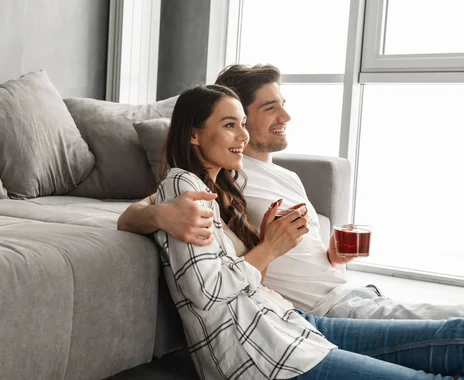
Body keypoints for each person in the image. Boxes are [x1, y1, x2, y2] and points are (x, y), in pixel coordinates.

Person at [150, 83, 464, 379]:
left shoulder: (221, 191)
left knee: (456, 334)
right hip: (264, 353)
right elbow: (208, 293)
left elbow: (242, 283)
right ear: (193, 135)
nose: (242, 136)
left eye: (243, 124)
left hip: (290, 324)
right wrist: (269, 247)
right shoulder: (183, 187)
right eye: (230, 125)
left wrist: (272, 245)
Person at [118, 64, 464, 319]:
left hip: (352, 293)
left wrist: (332, 255)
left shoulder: (286, 176)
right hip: (328, 310)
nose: (285, 114)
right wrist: (162, 214)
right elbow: (134, 213)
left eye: (282, 103)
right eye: (269, 107)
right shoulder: (221, 177)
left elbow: (297, 252)